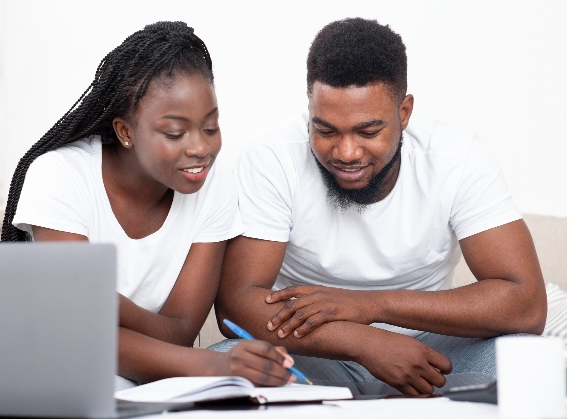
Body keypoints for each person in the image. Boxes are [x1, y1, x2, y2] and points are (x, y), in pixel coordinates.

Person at [212, 17, 547, 395]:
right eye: (325, 130)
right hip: (318, 350)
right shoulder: (273, 155)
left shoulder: (456, 158)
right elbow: (236, 304)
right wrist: (366, 342)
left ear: (404, 113)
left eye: (368, 132)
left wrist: (371, 306)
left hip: (433, 350)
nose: (346, 152)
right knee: (231, 362)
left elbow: (526, 305)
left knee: (532, 362)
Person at [1, 21, 296, 391]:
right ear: (125, 131)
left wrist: (104, 305)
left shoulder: (214, 185)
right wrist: (213, 364)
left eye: (210, 127)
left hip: (158, 374)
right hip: (55, 369)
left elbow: (180, 331)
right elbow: (74, 335)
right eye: (175, 133)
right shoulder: (60, 176)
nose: (200, 148)